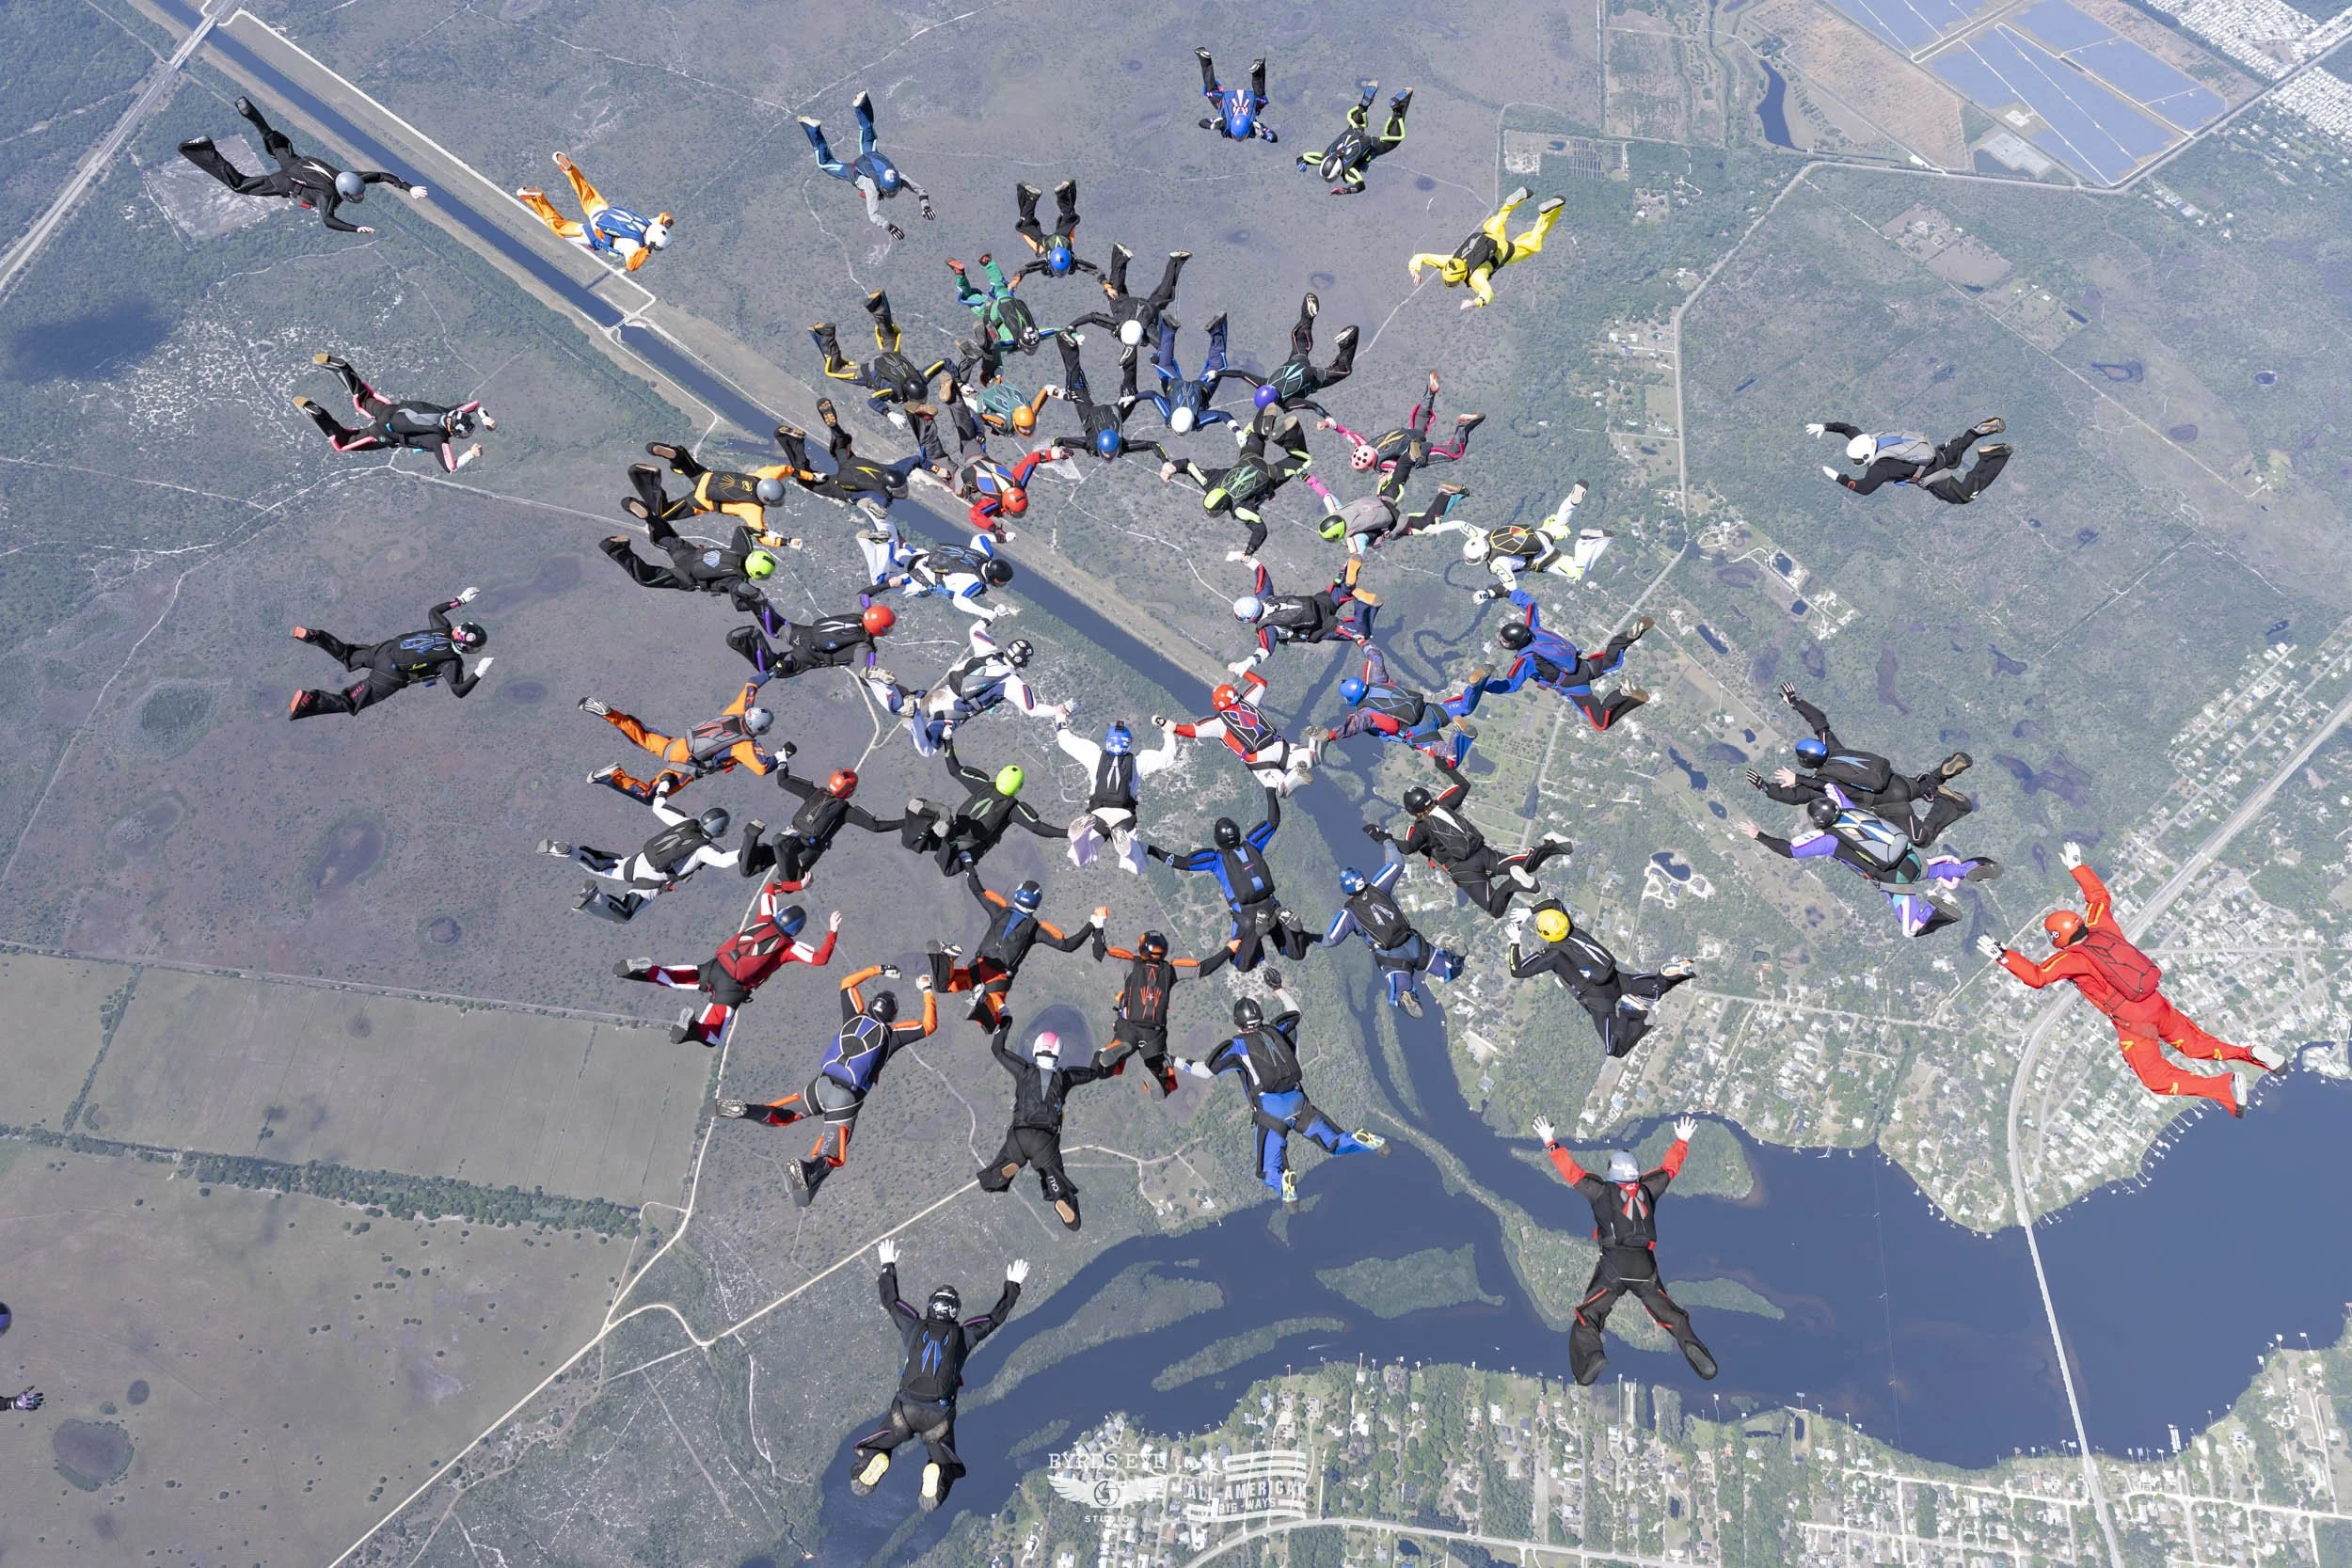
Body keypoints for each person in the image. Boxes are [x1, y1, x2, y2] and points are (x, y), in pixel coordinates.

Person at [1977, 843, 2283, 1113]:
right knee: (2196, 1044)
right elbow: (2099, 898)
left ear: (2058, 937)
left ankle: (2222, 1086)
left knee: (2156, 1079)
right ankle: (2249, 1054)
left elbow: (2037, 976)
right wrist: (2077, 866)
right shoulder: (2102, 926)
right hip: (2157, 1003)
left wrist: (2003, 955)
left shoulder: (2071, 959)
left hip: (2135, 1023)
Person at [715, 964, 937, 1204]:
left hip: (820, 1086)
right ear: (892, 1015)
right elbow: (928, 1025)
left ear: (872, 1005)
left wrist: (878, 970)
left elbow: (848, 983)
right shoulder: (891, 1035)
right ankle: (809, 1170)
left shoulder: (853, 1017)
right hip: (845, 1099)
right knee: (832, 1154)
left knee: (785, 1115)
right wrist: (926, 990)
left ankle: (748, 1110)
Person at [1534, 1115, 1718, 1386]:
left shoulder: (1600, 1191)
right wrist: (1682, 1140)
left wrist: (1550, 1141)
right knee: (1671, 1316)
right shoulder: (1647, 1189)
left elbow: (1571, 1171)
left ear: (1612, 1171)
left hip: (1614, 1265)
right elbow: (1669, 1170)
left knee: (1588, 1316)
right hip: (1644, 1266)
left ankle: (1590, 1360)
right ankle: (1697, 1353)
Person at [849, 1243, 1025, 1512]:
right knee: (945, 1462)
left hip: (904, 1410)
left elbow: (891, 1301)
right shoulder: (965, 1334)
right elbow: (993, 1319)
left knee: (876, 1446)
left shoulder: (913, 1325)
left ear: (931, 1306)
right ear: (955, 1311)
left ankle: (874, 1459)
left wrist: (888, 1267)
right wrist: (1012, 1286)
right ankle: (936, 1472)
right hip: (938, 1417)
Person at [1177, 996, 1388, 1208]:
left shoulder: (1237, 1046)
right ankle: (1365, 1141)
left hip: (1272, 1111)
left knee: (1269, 1172)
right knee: (1334, 1144)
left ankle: (1285, 1186)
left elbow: (1204, 1071)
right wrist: (1279, 989)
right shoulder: (1276, 1030)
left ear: (1237, 1023)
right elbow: (1296, 1013)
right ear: (1260, 1016)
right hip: (1298, 1102)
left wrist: (1172, 1060)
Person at [1738, 793, 1996, 939]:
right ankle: (1970, 867)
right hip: (1911, 860)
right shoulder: (1849, 810)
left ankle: (1934, 910)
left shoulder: (1829, 840)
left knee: (1911, 929)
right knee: (1934, 869)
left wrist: (1758, 834)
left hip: (1894, 881)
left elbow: (1790, 851)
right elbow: (1831, 785)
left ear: (1818, 823)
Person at [1744, 682, 1973, 847]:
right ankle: (1941, 774)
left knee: (1920, 839)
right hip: (1896, 781)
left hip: (1889, 804)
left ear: (1806, 763)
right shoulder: (1834, 749)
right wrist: (1795, 701)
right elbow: (1819, 722)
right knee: (1924, 787)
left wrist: (1765, 787)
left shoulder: (1823, 782)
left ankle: (1951, 804)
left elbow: (1793, 797)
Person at [615, 893, 839, 1046]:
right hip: (732, 987)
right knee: (713, 1036)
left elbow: (770, 890)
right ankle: (691, 1030)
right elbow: (820, 959)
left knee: (674, 978)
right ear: (797, 930)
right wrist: (832, 931)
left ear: (781, 914)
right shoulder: (789, 947)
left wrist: (798, 885)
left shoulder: (764, 919)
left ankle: (641, 971)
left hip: (715, 966)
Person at [178, 97, 423, 232]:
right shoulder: (326, 196)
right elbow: (328, 221)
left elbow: (380, 176)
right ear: (345, 193)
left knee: (273, 141)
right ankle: (201, 149)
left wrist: (408, 188)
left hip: (296, 161)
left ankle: (252, 115)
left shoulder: (346, 176)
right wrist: (355, 228)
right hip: (287, 180)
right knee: (239, 185)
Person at [1150, 788, 1312, 972]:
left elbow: (1180, 862)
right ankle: (1295, 933)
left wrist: (1150, 850)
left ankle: (1256, 934)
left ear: (1217, 840)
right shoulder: (1253, 844)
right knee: (1296, 954)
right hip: (1272, 906)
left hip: (1246, 915)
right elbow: (1273, 821)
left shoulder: (1216, 860)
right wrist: (1269, 791)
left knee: (1241, 963)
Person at [1364, 773, 1570, 918]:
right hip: (1481, 851)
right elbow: (1464, 785)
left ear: (1412, 811)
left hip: (1463, 870)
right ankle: (1552, 845)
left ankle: (1513, 883)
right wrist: (1444, 764)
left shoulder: (1420, 828)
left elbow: (1408, 847)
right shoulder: (1444, 805)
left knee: (1495, 907)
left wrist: (1380, 836)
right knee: (1526, 863)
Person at [1508, 902, 1693, 1059]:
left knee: (1615, 1049)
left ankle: (1631, 1012)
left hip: (1598, 997)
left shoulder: (1553, 955)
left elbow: (1517, 970)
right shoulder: (1571, 929)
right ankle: (1672, 973)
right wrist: (1531, 911)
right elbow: (1555, 902)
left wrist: (1515, 941)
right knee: (1655, 990)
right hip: (1615, 979)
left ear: (1546, 934)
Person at [863, 621, 1069, 756]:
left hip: (939, 695)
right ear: (1024, 663)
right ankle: (914, 716)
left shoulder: (988, 650)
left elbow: (975, 630)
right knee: (927, 749)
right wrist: (1056, 710)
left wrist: (992, 615)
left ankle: (879, 683)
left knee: (899, 704)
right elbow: (1032, 709)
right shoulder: (1013, 683)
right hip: (953, 711)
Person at [542, 792, 753, 924]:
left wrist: (664, 784)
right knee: (624, 915)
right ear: (721, 831)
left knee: (601, 867)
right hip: (652, 880)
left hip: (639, 861)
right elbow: (725, 860)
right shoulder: (704, 850)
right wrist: (752, 843)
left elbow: (658, 806)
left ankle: (571, 851)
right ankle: (595, 899)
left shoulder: (686, 822)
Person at [978, 1025, 1112, 1229]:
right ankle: (1060, 1198)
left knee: (988, 1181)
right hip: (1045, 1144)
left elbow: (998, 1050)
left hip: (1020, 1135)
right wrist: (1101, 1053)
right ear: (1058, 1054)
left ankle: (1004, 1171)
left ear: (1036, 1049)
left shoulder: (1023, 1071)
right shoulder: (1065, 1077)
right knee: (1056, 1181)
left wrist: (1004, 1022)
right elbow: (1094, 1072)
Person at [932, 872, 1104, 1029]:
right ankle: (983, 1000)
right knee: (993, 1023)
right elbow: (1067, 946)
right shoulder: (1035, 929)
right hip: (998, 977)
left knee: (944, 985)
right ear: (1036, 904)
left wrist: (968, 861)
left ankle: (946, 958)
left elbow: (977, 890)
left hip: (978, 965)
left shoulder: (999, 911)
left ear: (1017, 895)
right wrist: (1093, 924)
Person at [287, 588, 490, 720]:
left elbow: (433, 612)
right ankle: (310, 701)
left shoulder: (443, 629)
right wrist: (479, 672)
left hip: (384, 650)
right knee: (348, 702)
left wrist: (460, 601)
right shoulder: (451, 663)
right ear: (467, 648)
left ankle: (315, 636)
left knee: (347, 655)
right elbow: (458, 690)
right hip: (390, 675)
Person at [580, 675, 782, 803]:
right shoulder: (745, 745)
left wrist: (771, 672)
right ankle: (612, 776)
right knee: (650, 795)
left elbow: (751, 685)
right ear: (761, 729)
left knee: (642, 736)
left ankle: (609, 714)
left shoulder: (738, 711)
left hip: (678, 745)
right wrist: (782, 756)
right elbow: (762, 768)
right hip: (686, 766)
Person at [1477, 592, 1652, 731]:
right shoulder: (1533, 628)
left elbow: (1510, 686)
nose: (1502, 642)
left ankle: (1621, 694)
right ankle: (1628, 636)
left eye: (1504, 641)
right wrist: (1505, 592)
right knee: (1608, 659)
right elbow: (1530, 604)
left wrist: (1484, 685)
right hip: (1583, 666)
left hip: (1573, 686)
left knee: (1600, 723)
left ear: (1514, 644)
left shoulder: (1525, 660)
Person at [295, 353, 491, 472]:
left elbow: (473, 404)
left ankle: (344, 369)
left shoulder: (449, 412)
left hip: (390, 409)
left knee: (363, 398)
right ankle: (317, 414)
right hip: (384, 433)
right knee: (344, 442)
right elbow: (451, 468)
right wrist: (471, 454)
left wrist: (486, 418)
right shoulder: (437, 440)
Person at [1161, 406, 1314, 557]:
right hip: (1248, 458)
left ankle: (1285, 436)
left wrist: (1249, 551)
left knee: (1300, 459)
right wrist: (1172, 468)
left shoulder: (1239, 509)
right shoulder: (1209, 483)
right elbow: (1189, 466)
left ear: (1222, 507)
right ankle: (1266, 423)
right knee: (1255, 434)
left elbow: (1260, 529)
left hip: (1269, 475)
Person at [1320, 859, 1461, 1019]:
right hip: (1413, 944)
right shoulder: (1378, 887)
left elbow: (1329, 940)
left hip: (1391, 957)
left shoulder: (1349, 914)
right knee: (1450, 969)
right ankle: (1453, 961)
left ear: (1346, 890)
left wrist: (1302, 936)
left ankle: (1404, 994)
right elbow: (1397, 863)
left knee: (1401, 987)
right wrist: (1386, 840)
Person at [1096, 930, 1230, 1095]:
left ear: (1142, 949)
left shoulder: (1131, 966)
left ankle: (1114, 1057)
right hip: (1155, 1035)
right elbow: (1204, 968)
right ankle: (1160, 1077)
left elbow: (1098, 952)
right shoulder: (1171, 971)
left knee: (1101, 1061)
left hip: (1129, 1028)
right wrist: (1229, 950)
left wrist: (1098, 926)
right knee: (1164, 1075)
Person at [1319, 372, 1482, 502]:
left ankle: (1463, 426)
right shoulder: (1363, 444)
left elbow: (1397, 472)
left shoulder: (1383, 464)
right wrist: (1329, 424)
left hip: (1418, 450)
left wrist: (1384, 479)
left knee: (1454, 452)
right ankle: (1430, 392)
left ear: (1369, 466)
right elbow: (1347, 434)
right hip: (1408, 434)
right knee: (1421, 421)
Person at [901, 745, 1062, 876]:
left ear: (999, 776)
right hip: (970, 845)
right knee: (949, 869)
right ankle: (944, 834)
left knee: (917, 843)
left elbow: (954, 770)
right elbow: (1038, 827)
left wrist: (947, 741)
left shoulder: (983, 786)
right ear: (1018, 788)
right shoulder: (1013, 808)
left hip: (955, 829)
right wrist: (1068, 833)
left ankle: (935, 823)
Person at [1325, 644, 1490, 769]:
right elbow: (1376, 656)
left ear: (1350, 698)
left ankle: (1456, 734)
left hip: (1417, 732)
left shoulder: (1365, 715)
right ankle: (1475, 686)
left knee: (1449, 760)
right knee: (1465, 707)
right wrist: (1362, 642)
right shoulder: (1377, 681)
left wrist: (1329, 736)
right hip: (1428, 710)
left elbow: (1348, 729)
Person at [1430, 483, 1611, 596]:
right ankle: (1572, 500)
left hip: (1544, 557)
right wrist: (1438, 528)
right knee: (1560, 520)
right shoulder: (1482, 535)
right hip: (1538, 535)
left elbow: (1511, 587)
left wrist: (1490, 594)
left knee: (1577, 573)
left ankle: (1586, 542)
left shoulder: (1497, 564)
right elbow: (1461, 524)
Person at [744, 762, 904, 890]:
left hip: (791, 840)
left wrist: (782, 760)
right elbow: (876, 826)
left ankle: (750, 838)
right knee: (790, 885)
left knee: (750, 869)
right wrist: (904, 822)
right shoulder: (845, 811)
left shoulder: (814, 793)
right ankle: (771, 856)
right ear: (850, 792)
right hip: (806, 852)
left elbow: (782, 781)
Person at [910, 397, 1055, 535]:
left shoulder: (1018, 483)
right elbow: (975, 514)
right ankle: (925, 419)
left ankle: (954, 398)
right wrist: (994, 529)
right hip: (963, 482)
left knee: (968, 438)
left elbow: (1032, 459)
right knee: (935, 456)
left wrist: (1054, 454)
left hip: (979, 459)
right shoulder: (993, 503)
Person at [799, 91, 934, 239]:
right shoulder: (873, 189)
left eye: (894, 191)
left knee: (868, 133)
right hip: (857, 172)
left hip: (871, 157)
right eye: (889, 192)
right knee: (825, 163)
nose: (892, 194)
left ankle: (861, 105)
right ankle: (813, 129)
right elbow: (873, 216)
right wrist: (890, 227)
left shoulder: (898, 177)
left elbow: (920, 190)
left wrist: (926, 206)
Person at [1158, 670, 1317, 795]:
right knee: (1302, 758)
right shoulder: (1248, 702)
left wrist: (1170, 725)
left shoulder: (1219, 723)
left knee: (1279, 786)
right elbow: (1261, 683)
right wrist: (1240, 670)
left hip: (1259, 758)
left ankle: (1287, 780)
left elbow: (1192, 731)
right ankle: (1310, 751)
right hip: (1277, 745)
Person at [1055, 719, 1183, 873]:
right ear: (1129, 744)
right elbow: (1167, 759)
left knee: (1080, 858)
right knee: (1136, 864)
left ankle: (1079, 841)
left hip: (1097, 814)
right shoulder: (1137, 762)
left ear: (1108, 742)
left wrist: (1060, 717)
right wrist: (1168, 732)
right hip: (1124, 816)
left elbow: (1066, 742)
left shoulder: (1094, 756)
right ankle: (1127, 852)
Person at [1409, 185, 1565, 309]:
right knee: (1497, 222)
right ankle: (1509, 204)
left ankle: (1547, 214)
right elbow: (1421, 257)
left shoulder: (1475, 277)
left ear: (1461, 276)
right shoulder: (1450, 260)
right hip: (1488, 237)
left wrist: (1474, 302)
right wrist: (1415, 269)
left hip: (1502, 252)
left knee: (1533, 242)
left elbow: (1487, 294)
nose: (1453, 284)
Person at [811, 290, 950, 428]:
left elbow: (943, 362)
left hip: (890, 356)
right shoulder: (893, 390)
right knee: (836, 369)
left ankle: (877, 304)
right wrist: (888, 414)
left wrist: (961, 382)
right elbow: (872, 401)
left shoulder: (922, 377)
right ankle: (825, 335)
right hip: (868, 373)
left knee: (889, 335)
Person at [600, 515, 799, 611]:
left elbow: (742, 530)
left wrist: (770, 535)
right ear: (755, 573)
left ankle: (650, 517)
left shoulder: (742, 550)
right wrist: (758, 601)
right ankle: (614, 548)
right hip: (685, 576)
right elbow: (739, 602)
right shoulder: (736, 579)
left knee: (665, 538)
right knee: (646, 578)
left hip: (689, 554)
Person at [773, 401, 932, 521]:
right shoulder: (882, 496)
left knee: (840, 448)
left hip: (850, 463)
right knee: (803, 477)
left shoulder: (897, 470)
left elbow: (916, 460)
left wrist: (936, 470)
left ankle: (836, 430)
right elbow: (871, 503)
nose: (902, 492)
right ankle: (795, 442)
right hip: (837, 487)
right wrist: (874, 508)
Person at [516, 151, 670, 270]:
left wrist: (668, 223)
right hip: (593, 234)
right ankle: (535, 199)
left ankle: (570, 169)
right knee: (559, 227)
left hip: (603, 213)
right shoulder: (633, 244)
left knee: (586, 192)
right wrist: (647, 250)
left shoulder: (649, 224)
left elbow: (663, 218)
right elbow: (632, 265)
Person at [1228, 556, 1378, 673]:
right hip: (1318, 602)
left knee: (1361, 633)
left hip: (1321, 627)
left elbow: (1265, 651)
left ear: (1250, 619)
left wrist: (1245, 664)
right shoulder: (1264, 597)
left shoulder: (1267, 628)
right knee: (1340, 591)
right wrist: (1242, 557)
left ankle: (1364, 604)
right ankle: (1349, 580)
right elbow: (1260, 571)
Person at [1809, 417, 2010, 502]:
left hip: (1932, 475)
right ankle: (1975, 432)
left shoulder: (1880, 469)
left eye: (1857, 461)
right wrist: (1826, 426)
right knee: (1953, 455)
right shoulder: (1868, 439)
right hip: (1931, 453)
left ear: (1865, 457)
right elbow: (1847, 428)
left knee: (1965, 496)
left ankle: (1993, 455)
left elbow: (1864, 488)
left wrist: (1839, 478)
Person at [1041, 336, 1163, 465]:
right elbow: (1152, 445)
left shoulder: (1101, 444)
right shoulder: (1101, 444)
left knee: (1076, 388)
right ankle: (1130, 351)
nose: (1109, 456)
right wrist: (1055, 448)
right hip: (1103, 413)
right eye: (1109, 453)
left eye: (1109, 452)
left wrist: (1055, 448)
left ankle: (1069, 345)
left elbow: (1058, 440)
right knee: (1130, 394)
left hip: (1096, 413)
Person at [857, 523, 1017, 622]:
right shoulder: (975, 582)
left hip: (924, 557)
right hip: (920, 580)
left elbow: (980, 538)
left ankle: (891, 535)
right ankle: (880, 543)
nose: (1001, 585)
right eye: (1000, 582)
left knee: (902, 553)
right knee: (881, 583)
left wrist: (1003, 538)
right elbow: (959, 601)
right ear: (993, 578)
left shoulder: (983, 556)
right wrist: (986, 613)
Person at [1230, 293, 1357, 415]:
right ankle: (1306, 318)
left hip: (1314, 378)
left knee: (1343, 370)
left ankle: (1347, 341)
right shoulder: (1264, 383)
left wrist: (1328, 418)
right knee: (1299, 340)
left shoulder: (1287, 403)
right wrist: (1217, 374)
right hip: (1296, 362)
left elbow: (1313, 405)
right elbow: (1241, 374)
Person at [1302, 474, 1469, 557]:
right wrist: (1307, 477)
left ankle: (1447, 494)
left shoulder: (1354, 539)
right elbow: (1325, 494)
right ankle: (1394, 469)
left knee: (1430, 524)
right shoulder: (1337, 511)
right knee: (1396, 484)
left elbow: (1356, 558)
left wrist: (1345, 579)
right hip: (1382, 502)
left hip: (1396, 524)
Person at [726, 602, 896, 683]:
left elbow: (864, 594)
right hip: (807, 656)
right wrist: (879, 680)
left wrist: (890, 584)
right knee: (774, 669)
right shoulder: (865, 647)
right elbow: (864, 674)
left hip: (804, 633)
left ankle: (757, 602)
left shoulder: (858, 614)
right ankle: (751, 639)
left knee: (778, 627)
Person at [1137, 313, 1245, 436]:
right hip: (1176, 385)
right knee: (1164, 364)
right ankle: (1168, 328)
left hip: (1201, 387)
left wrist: (1238, 431)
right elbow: (1152, 395)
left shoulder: (1199, 419)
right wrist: (1132, 398)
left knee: (1217, 367)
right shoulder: (1168, 413)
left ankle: (1217, 330)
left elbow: (1223, 415)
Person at [1069, 245, 1190, 350]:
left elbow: (1163, 346)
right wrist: (1072, 326)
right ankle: (1121, 254)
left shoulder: (1147, 329)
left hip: (1149, 308)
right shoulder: (1117, 323)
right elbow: (1093, 317)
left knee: (1164, 293)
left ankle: (1176, 260)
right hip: (1129, 306)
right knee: (1115, 290)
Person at [1298, 82, 1410, 195]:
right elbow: (1303, 157)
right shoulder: (1324, 157)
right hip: (1352, 132)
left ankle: (1397, 111)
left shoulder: (1348, 171)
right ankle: (1362, 107)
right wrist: (1301, 163)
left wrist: (1344, 191)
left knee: (1394, 140)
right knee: (1356, 124)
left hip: (1370, 145)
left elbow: (1360, 186)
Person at [947, 254, 1057, 357]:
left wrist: (1071, 333)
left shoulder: (1037, 332)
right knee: (967, 296)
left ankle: (987, 262)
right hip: (992, 313)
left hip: (1009, 302)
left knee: (999, 285)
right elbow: (990, 349)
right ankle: (960, 274)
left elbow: (1055, 330)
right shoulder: (1008, 342)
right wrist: (966, 347)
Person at [952, 338, 1055, 437]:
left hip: (994, 395)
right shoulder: (1005, 424)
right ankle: (977, 355)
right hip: (982, 404)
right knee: (957, 393)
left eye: (1030, 427)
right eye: (1027, 427)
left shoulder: (1029, 414)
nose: (1028, 430)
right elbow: (982, 415)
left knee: (990, 377)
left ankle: (987, 350)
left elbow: (1044, 393)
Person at [1011, 179, 1099, 280]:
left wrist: (1106, 284)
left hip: (1064, 237)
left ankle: (1062, 193)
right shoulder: (1046, 258)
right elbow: (1027, 268)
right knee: (1025, 225)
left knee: (1069, 217)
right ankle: (1032, 198)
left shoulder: (1070, 260)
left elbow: (1092, 269)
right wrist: (1015, 281)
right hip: (1045, 242)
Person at [1196, 49, 1279, 143]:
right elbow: (1202, 122)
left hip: (1245, 98)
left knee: (1260, 99)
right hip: (1230, 98)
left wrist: (1263, 133)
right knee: (1211, 90)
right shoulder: (1226, 124)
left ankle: (1257, 73)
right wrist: (1213, 125)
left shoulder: (1251, 126)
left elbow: (1273, 138)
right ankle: (1205, 60)